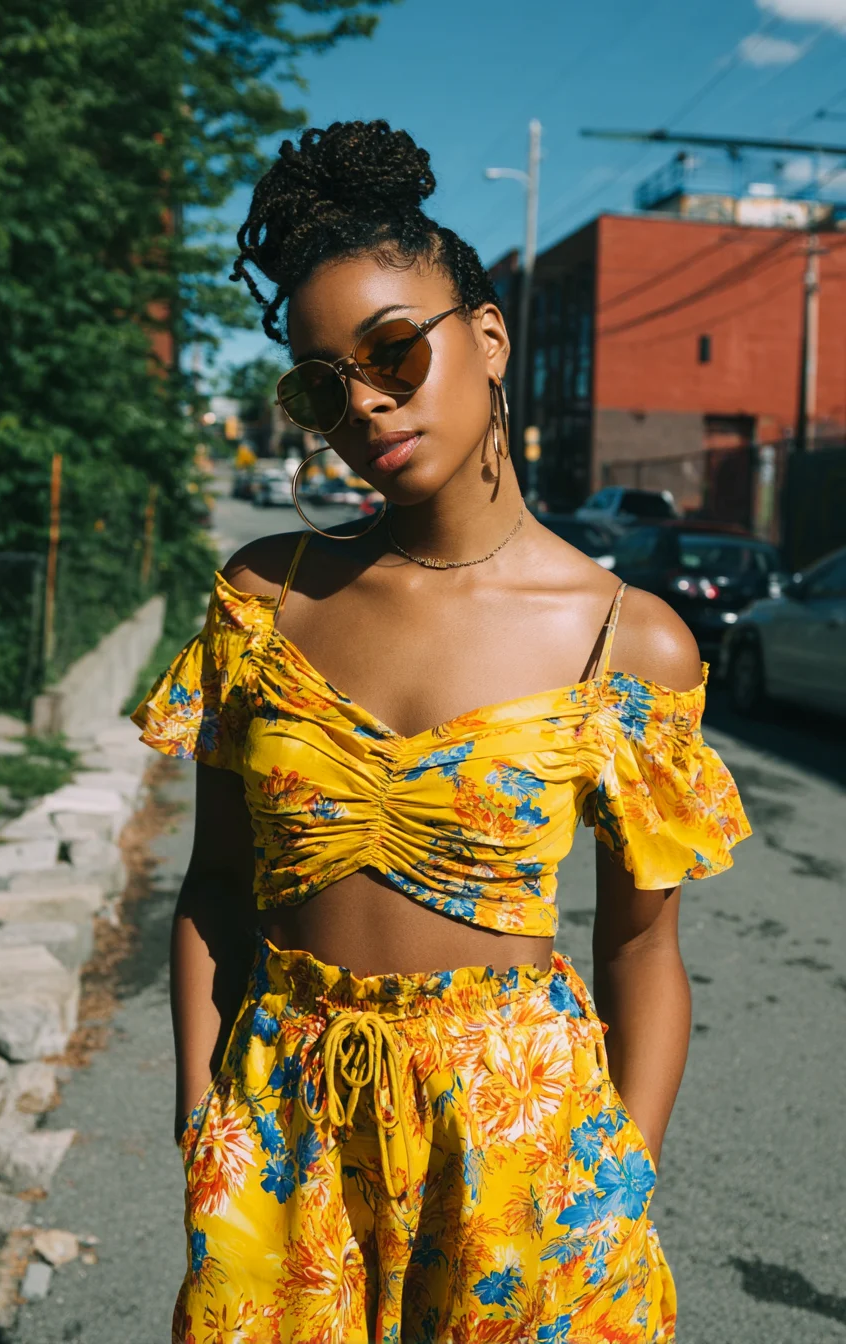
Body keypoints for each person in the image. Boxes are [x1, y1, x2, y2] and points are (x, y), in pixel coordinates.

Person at [132, 120, 750, 1344]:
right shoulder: (264, 600)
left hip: (520, 1137)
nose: (362, 402)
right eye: (324, 383)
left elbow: (639, 952)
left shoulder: (626, 641)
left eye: (391, 352)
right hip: (284, 1112)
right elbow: (212, 889)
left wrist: (618, 1178)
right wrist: (201, 1107)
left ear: (484, 335)